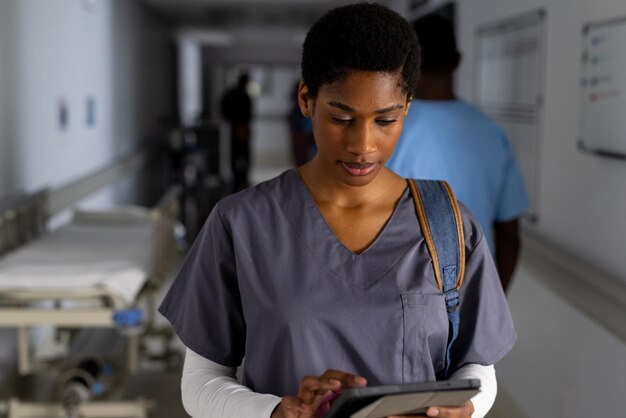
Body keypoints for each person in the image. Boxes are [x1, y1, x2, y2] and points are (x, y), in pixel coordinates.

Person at [159, 3, 516, 418]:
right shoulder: (242, 224)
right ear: (307, 99)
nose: (363, 145)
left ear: (407, 108)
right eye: (342, 117)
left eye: (386, 120)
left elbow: (479, 367)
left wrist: (467, 407)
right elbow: (200, 383)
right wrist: (277, 410)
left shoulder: (447, 225)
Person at [386, 14, 529, 293]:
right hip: (474, 293)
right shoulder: (493, 134)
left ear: (405, 63)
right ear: (457, 61)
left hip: (405, 299)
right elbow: (509, 237)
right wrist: (490, 308)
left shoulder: (386, 132)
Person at [221, 72, 253, 191]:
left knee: (237, 155)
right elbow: (249, 114)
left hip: (236, 128)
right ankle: (241, 179)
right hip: (239, 128)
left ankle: (239, 179)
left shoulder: (232, 94)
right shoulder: (241, 95)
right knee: (242, 155)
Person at [287, 81, 316, 166]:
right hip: (300, 134)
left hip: (304, 135)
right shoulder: (297, 107)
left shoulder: (304, 106)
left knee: (304, 158)